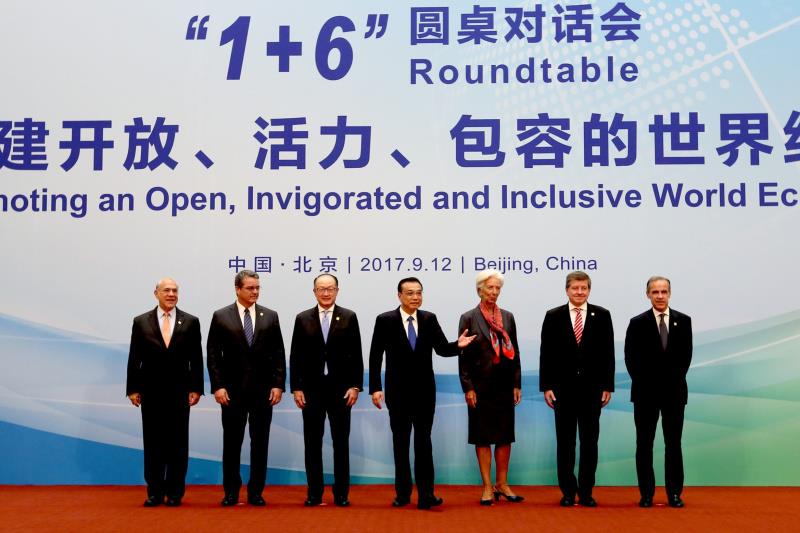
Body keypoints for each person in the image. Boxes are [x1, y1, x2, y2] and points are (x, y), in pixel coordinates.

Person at [369, 277, 476, 510]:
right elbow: (375, 355)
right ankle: (402, 494)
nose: (415, 297)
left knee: (424, 443)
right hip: (397, 392)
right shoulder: (385, 320)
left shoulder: (429, 318)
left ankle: (426, 495)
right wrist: (375, 388)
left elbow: (441, 349)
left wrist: (458, 345)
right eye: (410, 293)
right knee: (400, 443)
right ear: (399, 295)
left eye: (419, 292)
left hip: (425, 392)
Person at [207, 270, 286, 507]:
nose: (255, 292)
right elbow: (213, 355)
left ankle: (256, 492)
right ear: (237, 289)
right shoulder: (221, 316)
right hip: (232, 393)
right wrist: (218, 386)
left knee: (260, 444)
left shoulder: (270, 316)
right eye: (250, 288)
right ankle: (231, 492)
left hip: (263, 392)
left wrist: (278, 384)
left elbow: (279, 353)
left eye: (257, 288)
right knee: (232, 444)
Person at [126, 277, 203, 507]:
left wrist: (196, 388)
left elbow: (196, 358)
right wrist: (133, 388)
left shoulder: (190, 321)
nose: (171, 294)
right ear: (156, 293)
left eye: (175, 290)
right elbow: (135, 356)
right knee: (153, 443)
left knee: (178, 443)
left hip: (180, 392)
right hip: (151, 391)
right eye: (166, 290)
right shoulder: (141, 321)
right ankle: (155, 492)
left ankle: (175, 492)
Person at [539, 271, 614, 507]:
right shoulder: (553, 316)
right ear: (567, 290)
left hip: (593, 391)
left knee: (590, 443)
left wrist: (607, 386)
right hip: (563, 391)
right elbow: (546, 354)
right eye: (575, 288)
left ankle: (586, 492)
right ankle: (568, 492)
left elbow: (608, 353)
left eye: (584, 288)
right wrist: (546, 386)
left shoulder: (602, 315)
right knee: (566, 443)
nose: (580, 292)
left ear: (589, 290)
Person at [290, 274, 363, 507]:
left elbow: (356, 354)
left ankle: (341, 493)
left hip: (341, 391)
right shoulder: (303, 318)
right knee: (312, 443)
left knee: (341, 443)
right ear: (314, 292)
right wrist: (296, 387)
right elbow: (296, 355)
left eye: (330, 288)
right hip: (311, 391)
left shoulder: (349, 317)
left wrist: (355, 386)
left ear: (337, 291)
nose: (326, 293)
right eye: (321, 289)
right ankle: (314, 493)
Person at [624, 276, 692, 508]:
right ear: (648, 295)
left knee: (673, 444)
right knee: (644, 444)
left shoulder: (684, 321)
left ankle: (674, 494)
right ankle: (646, 494)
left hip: (674, 393)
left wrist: (669, 383)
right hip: (645, 394)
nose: (660, 296)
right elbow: (631, 359)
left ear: (670, 293)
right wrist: (648, 384)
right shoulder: (637, 322)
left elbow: (685, 358)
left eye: (664, 291)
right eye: (655, 292)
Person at [458, 269, 523, 506]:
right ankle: (487, 486)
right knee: (482, 437)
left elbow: (515, 352)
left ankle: (502, 484)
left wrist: (516, 383)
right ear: (480, 290)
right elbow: (463, 357)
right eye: (490, 288)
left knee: (505, 437)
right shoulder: (468, 317)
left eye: (497, 288)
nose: (494, 292)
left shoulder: (508, 317)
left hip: (504, 386)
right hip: (480, 387)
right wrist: (468, 387)